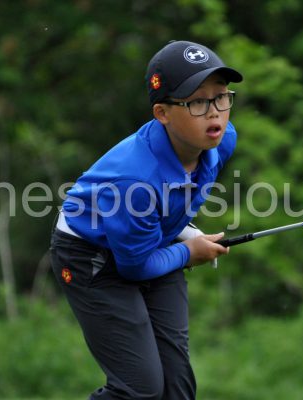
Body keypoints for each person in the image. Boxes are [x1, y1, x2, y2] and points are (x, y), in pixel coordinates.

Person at [49, 40, 243, 399]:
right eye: (198, 101)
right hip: (91, 256)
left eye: (222, 97)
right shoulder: (134, 181)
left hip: (149, 241)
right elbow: (134, 267)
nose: (215, 112)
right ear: (162, 114)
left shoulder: (221, 140)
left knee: (177, 389)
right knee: (140, 391)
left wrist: (180, 230)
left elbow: (172, 199)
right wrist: (189, 252)